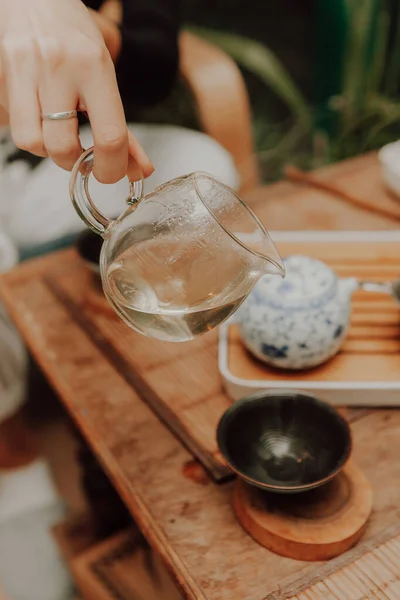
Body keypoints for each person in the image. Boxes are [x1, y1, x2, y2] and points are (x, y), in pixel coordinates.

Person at [0, 2, 238, 599]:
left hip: (43, 146)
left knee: (204, 166)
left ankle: (127, 387)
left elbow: (157, 53)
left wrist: (88, 31)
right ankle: (10, 445)